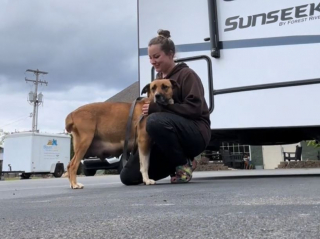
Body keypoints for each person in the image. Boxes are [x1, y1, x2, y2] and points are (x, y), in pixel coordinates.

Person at [120, 29, 211, 185]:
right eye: (150, 58)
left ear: (171, 54)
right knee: (128, 177)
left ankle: (183, 165)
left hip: (195, 133)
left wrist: (157, 109)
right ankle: (176, 163)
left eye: (157, 57)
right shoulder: (156, 81)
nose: (153, 61)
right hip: (165, 137)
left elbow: (194, 110)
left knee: (155, 121)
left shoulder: (187, 75)